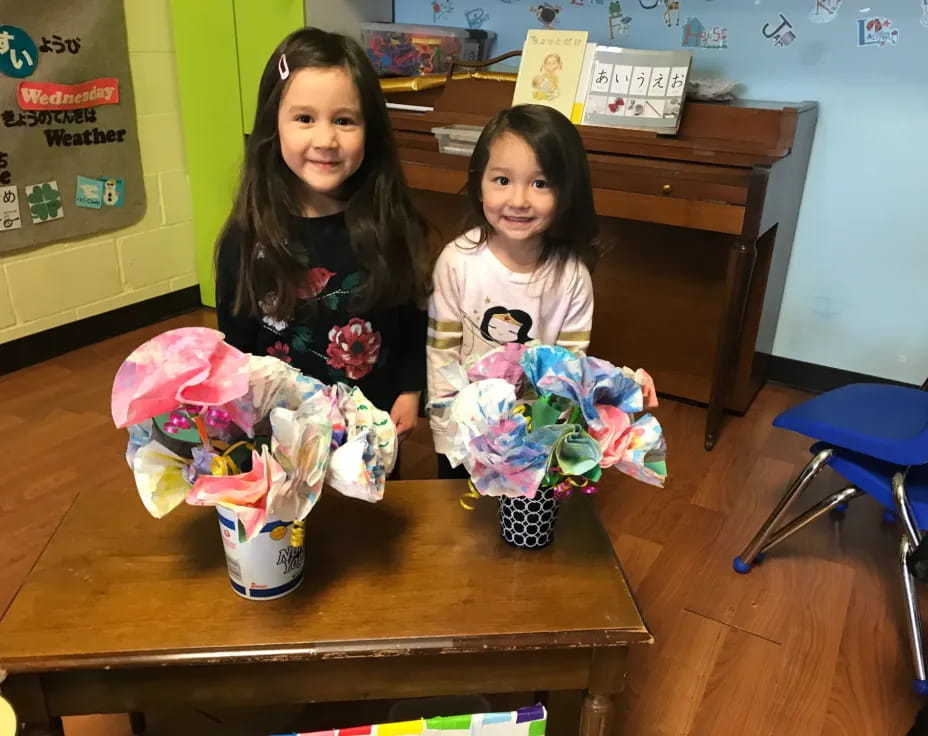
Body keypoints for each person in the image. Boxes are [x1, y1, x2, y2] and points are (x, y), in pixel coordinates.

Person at [215, 27, 430, 441]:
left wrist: (409, 390)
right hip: (281, 436)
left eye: (344, 120)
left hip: (369, 436)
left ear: (370, 129)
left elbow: (412, 318)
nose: (326, 139)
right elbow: (236, 348)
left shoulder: (391, 225)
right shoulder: (247, 240)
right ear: (272, 125)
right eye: (304, 118)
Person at [426, 104, 600, 479]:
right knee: (459, 521)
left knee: (521, 529)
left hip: (534, 437)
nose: (519, 200)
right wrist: (446, 431)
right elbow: (441, 353)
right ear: (479, 181)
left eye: (540, 183)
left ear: (567, 190)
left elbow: (571, 368)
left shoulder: (571, 277)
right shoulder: (456, 262)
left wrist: (556, 435)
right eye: (502, 180)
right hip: (467, 432)